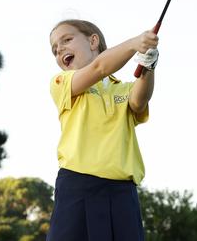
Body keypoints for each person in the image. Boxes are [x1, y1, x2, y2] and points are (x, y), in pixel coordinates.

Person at [45, 19, 159, 241]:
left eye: (67, 40)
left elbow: (138, 101)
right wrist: (134, 43)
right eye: (55, 50)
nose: (60, 50)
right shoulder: (62, 83)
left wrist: (148, 66)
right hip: (78, 188)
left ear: (93, 41)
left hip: (123, 193)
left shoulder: (122, 89)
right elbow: (99, 67)